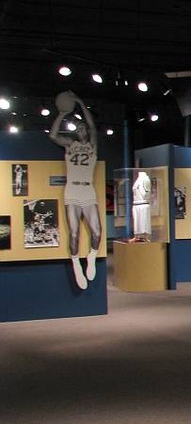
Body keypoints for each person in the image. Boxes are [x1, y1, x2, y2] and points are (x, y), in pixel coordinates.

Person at [48, 91, 101, 290]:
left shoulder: (92, 146)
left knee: (97, 232)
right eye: (77, 126)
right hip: (72, 191)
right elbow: (53, 135)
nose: (80, 127)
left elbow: (94, 127)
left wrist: (80, 102)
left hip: (88, 191)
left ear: (86, 131)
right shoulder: (70, 145)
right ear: (75, 131)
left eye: (82, 126)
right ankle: (76, 263)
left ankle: (92, 256)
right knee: (74, 233)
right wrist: (62, 113)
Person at [131, 171, 152, 241]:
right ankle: (136, 236)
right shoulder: (137, 179)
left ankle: (146, 236)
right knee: (136, 221)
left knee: (144, 220)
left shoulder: (145, 179)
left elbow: (146, 192)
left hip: (143, 203)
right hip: (136, 203)